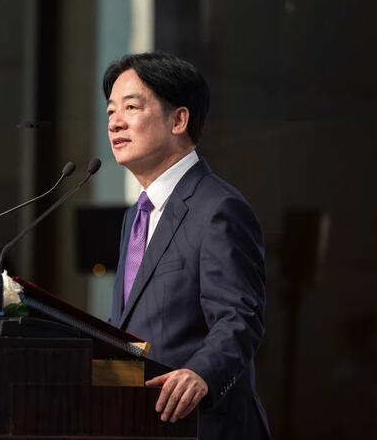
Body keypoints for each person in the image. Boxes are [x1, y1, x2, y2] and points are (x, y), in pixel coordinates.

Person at [105, 52, 270, 439]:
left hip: (203, 426)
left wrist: (201, 373)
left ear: (178, 120)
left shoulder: (218, 207)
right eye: (111, 110)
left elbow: (239, 318)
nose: (115, 122)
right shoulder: (135, 216)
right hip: (143, 424)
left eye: (131, 107)